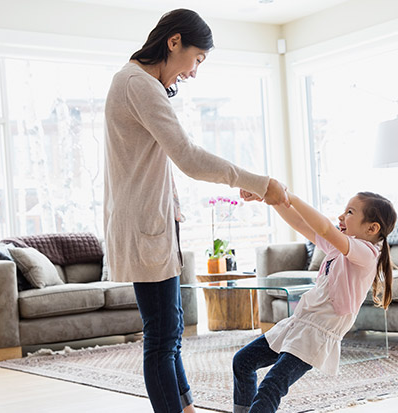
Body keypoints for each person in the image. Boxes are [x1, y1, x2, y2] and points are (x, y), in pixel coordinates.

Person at [103, 9, 288, 413]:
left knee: (169, 332)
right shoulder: (138, 83)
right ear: (174, 42)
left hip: (153, 226)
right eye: (197, 59)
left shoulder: (137, 82)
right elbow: (187, 156)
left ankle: (185, 407)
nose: (194, 71)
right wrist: (260, 182)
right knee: (162, 336)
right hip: (144, 228)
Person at [233, 191, 397, 413]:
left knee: (271, 386)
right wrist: (271, 197)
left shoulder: (366, 254)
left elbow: (325, 229)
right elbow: (301, 223)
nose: (341, 216)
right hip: (299, 325)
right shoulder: (338, 249)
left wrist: (289, 195)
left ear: (372, 228)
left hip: (315, 336)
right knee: (242, 361)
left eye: (349, 212)